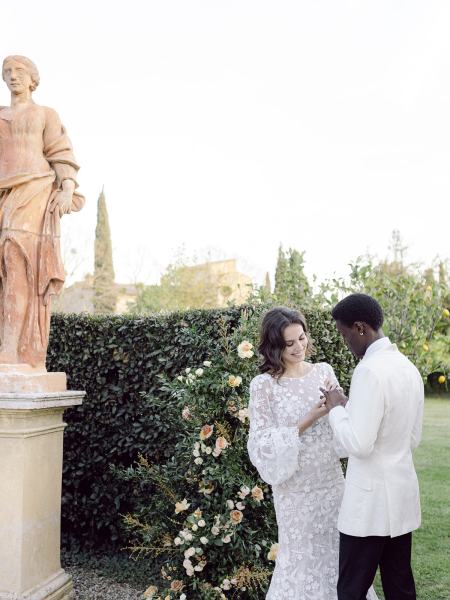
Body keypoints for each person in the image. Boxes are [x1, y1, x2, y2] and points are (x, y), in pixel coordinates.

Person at [247, 306, 377, 600]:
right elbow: (261, 444)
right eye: (289, 343)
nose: (299, 348)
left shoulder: (323, 371)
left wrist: (343, 407)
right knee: (300, 559)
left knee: (340, 557)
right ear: (274, 346)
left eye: (301, 338)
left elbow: (344, 420)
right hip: (295, 492)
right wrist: (309, 418)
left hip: (332, 485)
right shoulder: (264, 386)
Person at [321, 293, 424, 600]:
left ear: (360, 327)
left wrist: (336, 408)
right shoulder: (408, 367)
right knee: (400, 587)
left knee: (351, 589)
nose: (346, 343)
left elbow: (359, 443)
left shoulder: (368, 370)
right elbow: (412, 437)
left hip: (367, 507)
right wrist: (353, 411)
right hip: (401, 499)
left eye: (344, 334)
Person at [0, 55, 84, 367]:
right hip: (5, 194)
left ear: (33, 79)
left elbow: (60, 151)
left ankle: (12, 350)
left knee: (17, 260)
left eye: (19, 71)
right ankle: (14, 347)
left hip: (35, 191)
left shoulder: (45, 114)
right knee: (6, 272)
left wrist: (67, 187)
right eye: (7, 71)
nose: (12, 77)